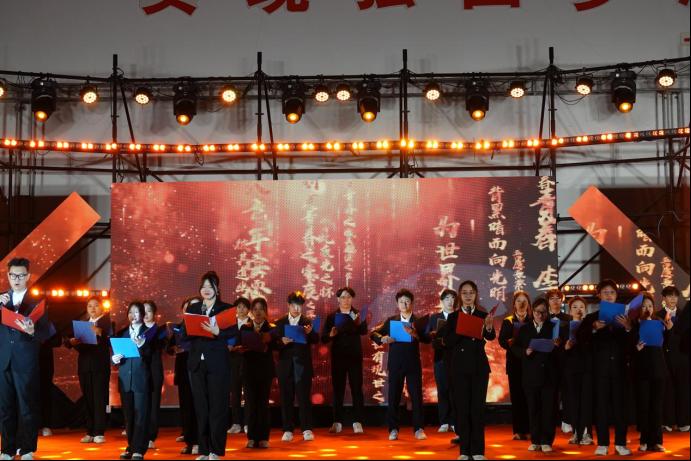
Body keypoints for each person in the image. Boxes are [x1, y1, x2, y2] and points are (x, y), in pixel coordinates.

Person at [0, 257, 51, 461]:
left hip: (26, 362)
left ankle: (27, 448)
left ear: (28, 276)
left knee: (27, 406)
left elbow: (47, 332)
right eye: (13, 275)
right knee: (5, 407)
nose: (17, 279)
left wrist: (32, 331)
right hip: (4, 360)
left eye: (21, 275)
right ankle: (7, 449)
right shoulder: (1, 299)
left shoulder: (36, 302)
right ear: (8, 276)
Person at [577, 279, 633, 456]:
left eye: (612, 292)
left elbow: (632, 346)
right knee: (600, 407)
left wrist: (628, 328)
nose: (609, 295)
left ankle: (621, 443)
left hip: (620, 370)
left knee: (620, 408)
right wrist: (594, 328)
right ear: (599, 295)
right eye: (605, 292)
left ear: (616, 296)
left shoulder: (626, 318)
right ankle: (602, 443)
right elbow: (580, 339)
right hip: (599, 370)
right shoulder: (591, 318)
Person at [442, 280, 495, 461]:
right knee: (462, 409)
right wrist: (463, 328)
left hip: (479, 367)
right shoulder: (453, 317)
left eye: (471, 292)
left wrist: (488, 326)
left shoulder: (482, 314)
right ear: (460, 295)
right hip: (459, 368)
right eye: (464, 292)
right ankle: (464, 450)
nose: (468, 296)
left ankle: (478, 450)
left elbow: (490, 336)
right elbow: (447, 341)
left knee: (477, 409)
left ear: (476, 294)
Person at [183, 271, 234, 460]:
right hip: (197, 363)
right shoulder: (194, 308)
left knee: (218, 407)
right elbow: (184, 334)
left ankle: (216, 450)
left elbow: (234, 333)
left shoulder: (226, 309)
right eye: (203, 286)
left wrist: (217, 331)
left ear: (217, 289)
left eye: (210, 286)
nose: (206, 290)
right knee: (201, 408)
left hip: (217, 364)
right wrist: (193, 329)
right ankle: (204, 450)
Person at [371, 288, 427, 441]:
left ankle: (419, 429)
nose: (404, 304)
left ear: (412, 303)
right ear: (397, 304)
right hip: (396, 364)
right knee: (394, 396)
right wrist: (383, 339)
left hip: (413, 363)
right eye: (401, 301)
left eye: (407, 301)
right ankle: (393, 429)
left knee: (416, 397)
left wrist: (416, 334)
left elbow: (427, 339)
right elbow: (374, 333)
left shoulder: (418, 321)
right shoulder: (391, 321)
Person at [513, 297, 560, 453]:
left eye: (543, 312)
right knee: (533, 409)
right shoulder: (524, 329)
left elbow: (560, 352)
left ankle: (547, 440)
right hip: (530, 375)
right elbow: (515, 348)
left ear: (547, 312)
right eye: (537, 312)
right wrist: (525, 352)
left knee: (548, 409)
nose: (540, 315)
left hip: (549, 375)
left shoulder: (553, 327)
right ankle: (535, 440)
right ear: (532, 311)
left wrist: (557, 345)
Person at [65, 296, 113, 444]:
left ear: (102, 307)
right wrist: (72, 342)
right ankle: (90, 431)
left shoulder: (107, 322)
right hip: (85, 365)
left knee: (99, 398)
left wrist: (99, 332)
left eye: (96, 305)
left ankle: (99, 431)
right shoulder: (83, 324)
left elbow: (110, 340)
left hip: (100, 366)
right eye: (90, 306)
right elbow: (74, 343)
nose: (92, 308)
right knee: (87, 398)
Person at [321, 287, 368, 434]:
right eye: (343, 297)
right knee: (338, 389)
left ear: (352, 299)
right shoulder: (332, 316)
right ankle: (337, 422)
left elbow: (364, 331)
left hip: (354, 357)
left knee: (356, 388)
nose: (346, 300)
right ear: (338, 299)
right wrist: (331, 334)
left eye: (348, 297)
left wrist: (358, 322)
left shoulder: (357, 314)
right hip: (338, 356)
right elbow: (323, 338)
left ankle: (358, 422)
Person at [274, 291, 319, 442]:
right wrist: (281, 342)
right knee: (286, 398)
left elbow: (316, 340)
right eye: (294, 305)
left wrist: (310, 333)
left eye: (299, 305)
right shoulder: (280, 322)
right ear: (288, 305)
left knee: (304, 398)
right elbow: (274, 344)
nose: (296, 308)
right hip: (285, 365)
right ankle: (288, 429)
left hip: (302, 366)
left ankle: (307, 429)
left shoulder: (307, 322)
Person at [112, 301, 152, 461]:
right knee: (128, 415)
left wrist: (143, 345)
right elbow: (118, 354)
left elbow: (153, 355)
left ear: (142, 314)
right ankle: (130, 446)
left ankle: (139, 449)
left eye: (136, 312)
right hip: (125, 379)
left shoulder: (149, 332)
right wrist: (114, 359)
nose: (133, 315)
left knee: (141, 414)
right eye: (130, 312)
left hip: (141, 378)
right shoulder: (122, 333)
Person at [632, 293, 668, 452]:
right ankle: (644, 440)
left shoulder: (660, 322)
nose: (647, 308)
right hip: (642, 369)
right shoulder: (634, 324)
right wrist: (636, 348)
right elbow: (628, 348)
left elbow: (668, 344)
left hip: (659, 368)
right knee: (644, 406)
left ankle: (657, 441)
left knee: (657, 406)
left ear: (654, 308)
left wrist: (669, 330)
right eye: (644, 306)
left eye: (650, 306)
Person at [240, 297, 275, 449]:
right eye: (255, 309)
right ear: (251, 312)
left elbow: (276, 346)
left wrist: (268, 341)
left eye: (261, 309)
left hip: (265, 371)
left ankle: (263, 437)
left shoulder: (272, 328)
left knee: (263, 404)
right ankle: (251, 437)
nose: (258, 312)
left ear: (266, 311)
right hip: (248, 371)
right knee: (250, 404)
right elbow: (239, 345)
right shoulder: (245, 328)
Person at [166, 297, 199, 455]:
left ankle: (200, 441)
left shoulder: (203, 326)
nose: (189, 311)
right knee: (186, 407)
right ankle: (189, 441)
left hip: (198, 370)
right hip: (183, 371)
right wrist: (174, 348)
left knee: (199, 406)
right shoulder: (178, 328)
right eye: (187, 308)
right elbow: (169, 348)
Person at [498, 290, 532, 441]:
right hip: (514, 363)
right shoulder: (508, 321)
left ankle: (531, 429)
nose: (522, 304)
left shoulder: (532, 320)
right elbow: (501, 340)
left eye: (524, 301)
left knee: (530, 397)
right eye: (519, 301)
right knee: (517, 397)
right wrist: (509, 342)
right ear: (514, 304)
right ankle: (518, 430)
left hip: (530, 363)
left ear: (529, 304)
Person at [424, 288, 457, 434]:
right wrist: (431, 334)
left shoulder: (459, 316)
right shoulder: (434, 318)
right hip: (440, 358)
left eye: (453, 298)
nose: (450, 301)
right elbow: (426, 335)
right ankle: (444, 421)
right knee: (442, 390)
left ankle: (455, 421)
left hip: (456, 358)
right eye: (447, 298)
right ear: (442, 301)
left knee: (455, 391)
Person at [561, 296, 593, 445]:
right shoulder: (564, 328)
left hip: (587, 367)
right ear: (569, 310)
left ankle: (586, 433)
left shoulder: (591, 326)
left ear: (585, 310)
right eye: (575, 307)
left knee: (586, 400)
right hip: (571, 368)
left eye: (581, 307)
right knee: (573, 401)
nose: (578, 309)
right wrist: (566, 348)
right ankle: (575, 433)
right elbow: (558, 351)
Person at [660, 286, 689, 433]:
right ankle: (668, 421)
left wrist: (673, 330)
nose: (672, 299)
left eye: (675, 296)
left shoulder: (685, 315)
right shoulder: (657, 315)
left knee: (683, 389)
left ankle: (683, 421)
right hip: (664, 358)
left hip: (682, 357)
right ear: (663, 298)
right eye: (669, 296)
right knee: (668, 390)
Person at [546, 288, 572, 435]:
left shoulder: (568, 318)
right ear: (548, 301)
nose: (555, 301)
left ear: (562, 301)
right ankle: (552, 421)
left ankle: (566, 420)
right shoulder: (544, 318)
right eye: (552, 298)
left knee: (567, 391)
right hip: (548, 360)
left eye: (558, 298)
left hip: (565, 359)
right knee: (551, 393)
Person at [143, 300, 167, 450]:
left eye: (149, 311)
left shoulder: (160, 331)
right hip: (139, 371)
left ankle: (151, 436)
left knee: (152, 404)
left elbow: (162, 346)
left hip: (154, 370)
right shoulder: (134, 329)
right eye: (142, 311)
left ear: (154, 313)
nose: (145, 314)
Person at [227, 297, 251, 435]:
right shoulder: (229, 325)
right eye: (239, 307)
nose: (241, 309)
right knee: (235, 393)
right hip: (233, 362)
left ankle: (248, 423)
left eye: (244, 307)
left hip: (248, 361)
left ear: (248, 309)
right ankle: (236, 423)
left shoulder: (252, 323)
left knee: (248, 394)